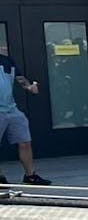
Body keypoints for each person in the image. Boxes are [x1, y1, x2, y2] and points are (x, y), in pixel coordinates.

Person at [0, 48, 49, 186]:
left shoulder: (7, 60)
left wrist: (29, 87)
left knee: (25, 142)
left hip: (11, 109)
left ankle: (30, 176)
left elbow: (20, 78)